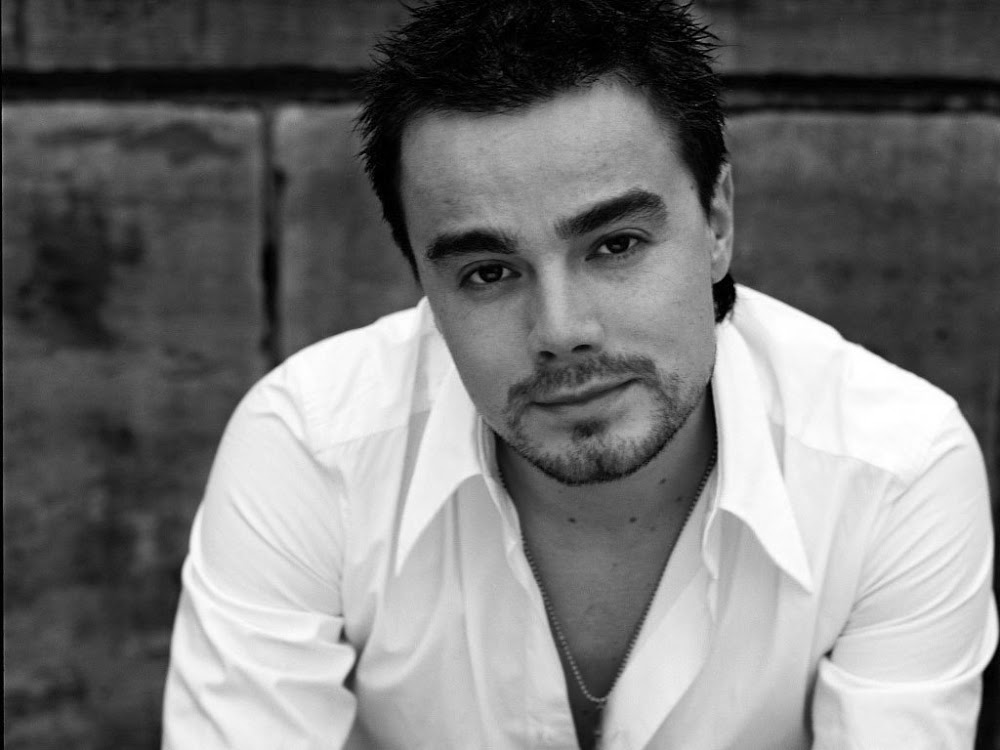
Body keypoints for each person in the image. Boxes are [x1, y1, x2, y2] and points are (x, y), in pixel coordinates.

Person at [162, 1, 997, 748]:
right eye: (489, 272)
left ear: (716, 222)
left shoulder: (893, 470)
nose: (561, 331)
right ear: (423, 284)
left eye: (615, 245)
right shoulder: (313, 448)